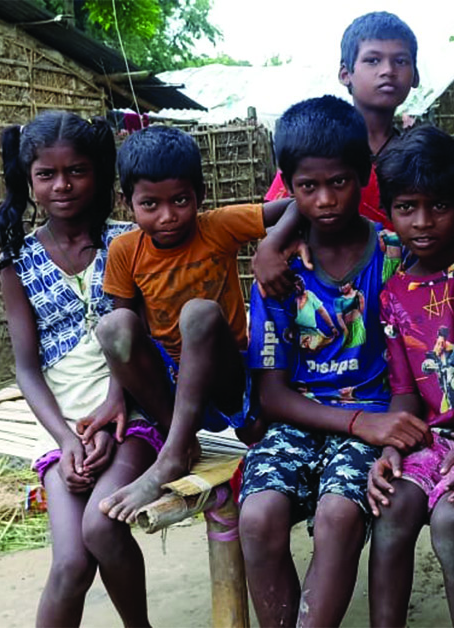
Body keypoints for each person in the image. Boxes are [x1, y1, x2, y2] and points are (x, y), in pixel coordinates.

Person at [240, 96, 430, 628]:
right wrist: (358, 421)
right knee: (257, 516)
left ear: (364, 175)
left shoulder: (398, 257)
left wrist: (380, 425)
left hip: (379, 418)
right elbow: (273, 394)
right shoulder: (280, 275)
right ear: (288, 186)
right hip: (305, 417)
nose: (325, 199)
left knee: (340, 513)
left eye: (340, 183)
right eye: (308, 187)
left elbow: (413, 361)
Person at [0, 111, 155, 627]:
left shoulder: (129, 241)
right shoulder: (17, 259)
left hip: (135, 416)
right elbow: (26, 368)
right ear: (30, 180)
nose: (62, 185)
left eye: (77, 171)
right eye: (47, 174)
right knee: (70, 562)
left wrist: (115, 406)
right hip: (64, 429)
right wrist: (66, 439)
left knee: (102, 527)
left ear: (100, 173)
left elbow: (142, 337)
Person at [88, 125, 294, 522]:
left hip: (227, 373)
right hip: (170, 387)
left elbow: (295, 205)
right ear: (125, 202)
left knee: (198, 312)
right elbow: (125, 327)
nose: (167, 217)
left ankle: (181, 448)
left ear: (199, 194)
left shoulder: (218, 226)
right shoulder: (124, 250)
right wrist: (117, 396)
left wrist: (271, 243)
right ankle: (180, 444)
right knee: (113, 325)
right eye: (150, 204)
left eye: (180, 200)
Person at [364, 126, 454, 628]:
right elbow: (404, 390)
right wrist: (394, 446)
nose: (422, 222)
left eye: (439, 206)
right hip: (438, 435)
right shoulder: (395, 292)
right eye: (406, 207)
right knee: (393, 508)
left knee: (448, 519)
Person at [262, 11, 420, 229]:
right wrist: (276, 241)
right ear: (345, 74)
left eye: (401, 61)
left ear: (416, 75)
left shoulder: (421, 154)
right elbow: (276, 216)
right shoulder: (316, 142)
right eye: (373, 60)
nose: (388, 71)